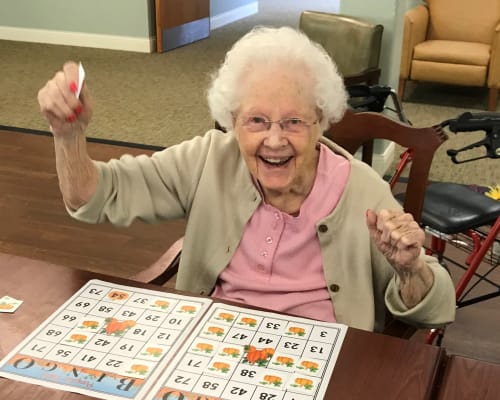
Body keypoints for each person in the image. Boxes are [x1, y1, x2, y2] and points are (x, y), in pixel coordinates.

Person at [37, 26, 455, 332]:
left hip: (320, 363)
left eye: (294, 121)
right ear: (232, 121)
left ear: (322, 121)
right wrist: (69, 134)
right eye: (256, 120)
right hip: (212, 351)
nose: (275, 140)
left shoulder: (362, 188)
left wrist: (409, 268)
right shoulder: (208, 161)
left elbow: (435, 309)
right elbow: (95, 198)